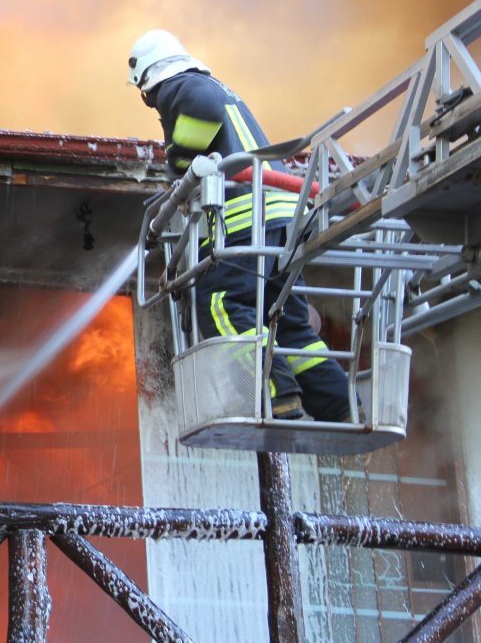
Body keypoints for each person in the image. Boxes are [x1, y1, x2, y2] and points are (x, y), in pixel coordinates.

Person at [127, 29, 351, 422]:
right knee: (290, 324)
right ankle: (338, 405)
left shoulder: (184, 87)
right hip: (281, 219)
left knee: (221, 305)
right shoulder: (219, 87)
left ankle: (277, 396)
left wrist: (179, 167)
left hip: (247, 219)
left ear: (148, 83)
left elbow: (201, 115)